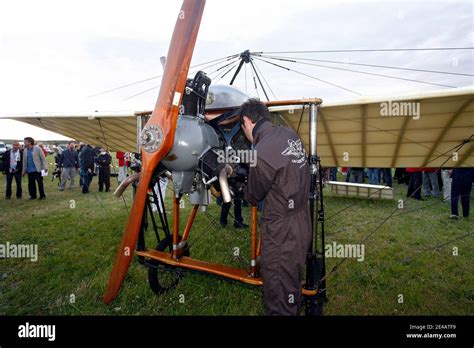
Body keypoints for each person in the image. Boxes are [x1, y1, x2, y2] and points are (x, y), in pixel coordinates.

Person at [240, 99, 311, 316]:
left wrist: (240, 187)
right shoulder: (288, 134)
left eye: (242, 128)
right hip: (301, 218)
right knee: (290, 282)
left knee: (279, 291)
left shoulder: (261, 152)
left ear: (247, 121)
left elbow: (253, 195)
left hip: (282, 229)